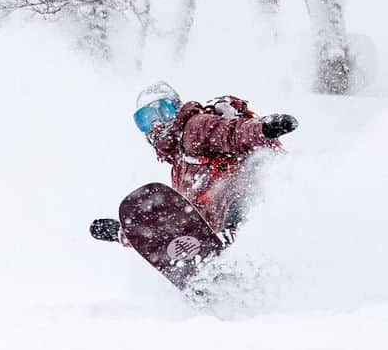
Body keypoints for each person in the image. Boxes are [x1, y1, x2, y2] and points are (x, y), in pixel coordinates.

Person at [90, 82, 298, 245]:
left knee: (239, 197)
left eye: (161, 112)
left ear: (176, 108)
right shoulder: (179, 166)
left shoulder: (194, 127)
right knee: (175, 213)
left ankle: (237, 238)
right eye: (145, 119)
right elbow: (183, 221)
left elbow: (232, 133)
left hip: (250, 204)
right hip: (220, 234)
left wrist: (265, 128)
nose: (156, 124)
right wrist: (130, 234)